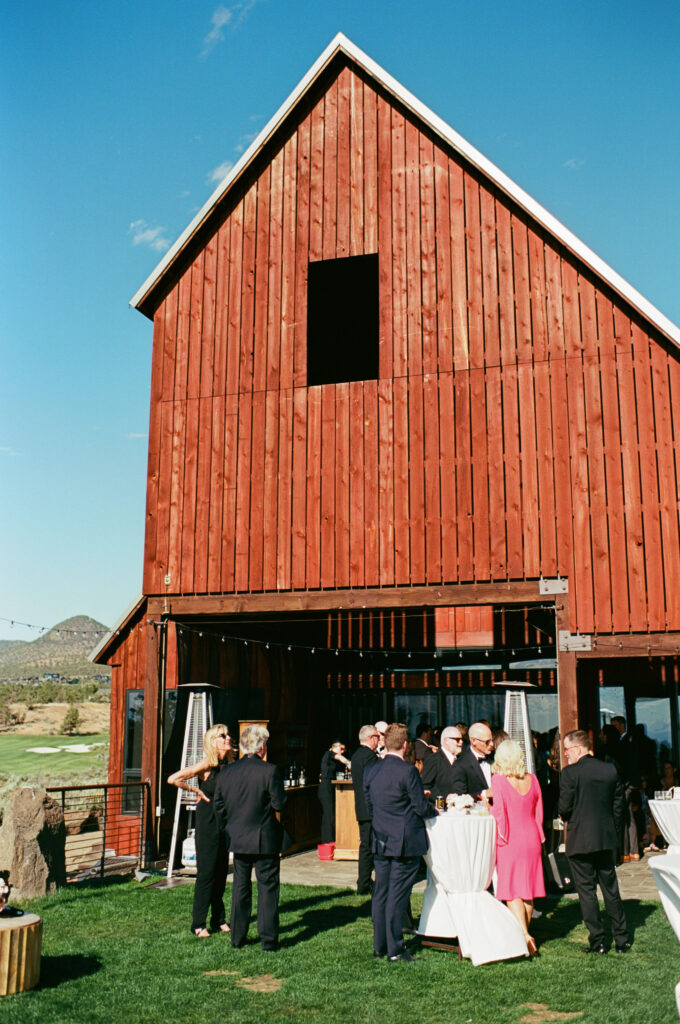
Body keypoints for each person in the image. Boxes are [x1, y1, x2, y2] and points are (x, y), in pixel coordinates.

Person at [363, 722, 438, 963]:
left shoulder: (371, 770)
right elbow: (419, 807)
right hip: (404, 841)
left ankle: (379, 945)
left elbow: (370, 804)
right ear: (406, 745)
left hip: (381, 838)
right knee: (397, 895)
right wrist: (434, 809)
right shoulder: (408, 772)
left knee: (381, 893)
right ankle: (395, 949)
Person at [213, 724, 286, 951]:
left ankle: (237, 937)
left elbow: (218, 806)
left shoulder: (227, 772)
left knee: (240, 888)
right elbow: (279, 803)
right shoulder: (270, 771)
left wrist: (230, 827)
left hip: (238, 837)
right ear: (262, 747)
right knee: (268, 890)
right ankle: (268, 940)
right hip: (264, 839)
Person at [558, 729, 631, 954]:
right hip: (605, 838)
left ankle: (598, 941)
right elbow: (619, 805)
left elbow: (564, 807)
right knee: (611, 889)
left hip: (580, 839)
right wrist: (613, 831)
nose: (565, 754)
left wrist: (566, 817)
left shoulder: (569, 773)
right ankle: (621, 939)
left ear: (578, 749)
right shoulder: (609, 769)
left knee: (586, 892)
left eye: (567, 750)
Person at [167, 723, 233, 938]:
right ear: (213, 741)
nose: (228, 738)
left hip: (225, 820)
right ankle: (198, 923)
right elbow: (173, 779)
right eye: (222, 736)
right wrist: (194, 788)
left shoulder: (231, 764)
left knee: (222, 870)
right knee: (207, 873)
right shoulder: (206, 765)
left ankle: (219, 918)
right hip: (208, 820)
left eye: (228, 735)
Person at [491, 739, 545, 956]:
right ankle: (523, 935)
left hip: (510, 839)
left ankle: (523, 935)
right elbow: (539, 809)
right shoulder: (532, 779)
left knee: (512, 890)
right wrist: (539, 833)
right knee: (528, 890)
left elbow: (500, 814)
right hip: (531, 836)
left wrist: (488, 808)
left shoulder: (499, 780)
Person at [351, 724, 380, 894]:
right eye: (377, 736)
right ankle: (363, 883)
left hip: (362, 809)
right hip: (370, 810)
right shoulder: (370, 757)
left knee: (366, 845)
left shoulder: (356, 755)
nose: (379, 739)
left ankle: (364, 881)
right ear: (370, 738)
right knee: (368, 847)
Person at [448, 721, 495, 799]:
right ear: (473, 741)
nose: (492, 744)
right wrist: (484, 794)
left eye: (492, 740)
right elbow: (459, 797)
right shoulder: (460, 765)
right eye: (487, 742)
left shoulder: (495, 758)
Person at [318, 741, 351, 844]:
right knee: (329, 814)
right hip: (325, 786)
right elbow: (341, 759)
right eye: (341, 748)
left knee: (330, 813)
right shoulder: (329, 754)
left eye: (344, 750)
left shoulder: (331, 759)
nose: (342, 751)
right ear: (334, 747)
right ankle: (329, 841)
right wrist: (350, 763)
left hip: (329, 785)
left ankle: (329, 840)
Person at [421, 726, 464, 801]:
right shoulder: (434, 760)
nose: (461, 742)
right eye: (457, 739)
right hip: (440, 809)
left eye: (461, 739)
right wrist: (444, 798)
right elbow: (425, 786)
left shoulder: (462, 760)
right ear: (446, 741)